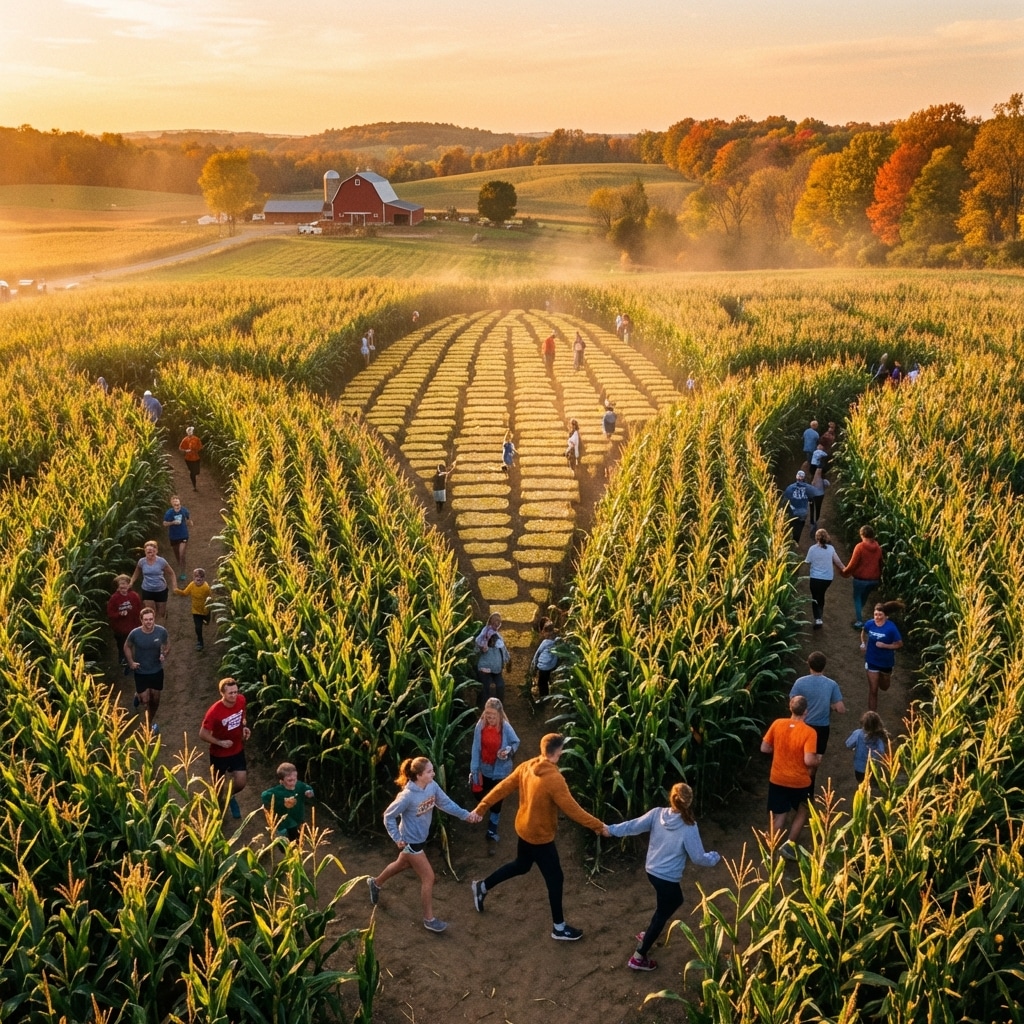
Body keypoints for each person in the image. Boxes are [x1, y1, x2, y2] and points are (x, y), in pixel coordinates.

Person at [471, 733, 607, 941]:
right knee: (556, 878)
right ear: (558, 752)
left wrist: (482, 807)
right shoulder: (555, 780)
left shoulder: (528, 766)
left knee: (521, 865)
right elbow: (573, 810)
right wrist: (598, 826)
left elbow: (502, 787)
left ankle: (482, 886)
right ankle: (559, 928)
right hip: (539, 837)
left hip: (524, 829)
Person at [606, 783, 720, 971]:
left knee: (667, 905)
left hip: (651, 870)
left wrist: (610, 829)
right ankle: (638, 957)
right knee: (668, 908)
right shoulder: (689, 827)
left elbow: (633, 826)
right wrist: (714, 857)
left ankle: (648, 934)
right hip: (667, 877)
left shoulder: (657, 814)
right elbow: (698, 857)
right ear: (689, 801)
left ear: (671, 798)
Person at [369, 756, 480, 933]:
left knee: (401, 864)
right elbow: (388, 816)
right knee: (429, 878)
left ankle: (375, 883)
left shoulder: (432, 786)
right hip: (411, 843)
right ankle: (429, 920)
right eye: (429, 771)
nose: (433, 774)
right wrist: (397, 837)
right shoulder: (407, 796)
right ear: (419, 775)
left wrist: (466, 815)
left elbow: (446, 803)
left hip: (420, 839)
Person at [760, 694, 821, 860]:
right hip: (799, 782)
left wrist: (779, 751)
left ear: (790, 708)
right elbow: (808, 760)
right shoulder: (810, 732)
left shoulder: (777, 724)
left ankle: (770, 849)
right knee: (803, 810)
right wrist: (817, 760)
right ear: (806, 712)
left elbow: (764, 748)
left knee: (779, 816)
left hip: (777, 779)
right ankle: (789, 845)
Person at [469, 698, 520, 845]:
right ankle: (486, 808)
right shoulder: (480, 726)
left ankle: (492, 827)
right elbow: (475, 748)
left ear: (499, 714)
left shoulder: (506, 727)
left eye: (493, 715)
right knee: (479, 793)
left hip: (501, 771)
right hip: (484, 767)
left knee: (497, 798)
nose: (490, 718)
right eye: (487, 714)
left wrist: (508, 751)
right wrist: (474, 769)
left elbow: (515, 742)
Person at [199, 677, 251, 819]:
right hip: (219, 754)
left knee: (241, 782)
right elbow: (202, 734)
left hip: (237, 749)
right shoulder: (214, 712)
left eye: (235, 692)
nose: (234, 696)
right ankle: (218, 811)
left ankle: (230, 796)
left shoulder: (241, 700)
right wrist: (219, 742)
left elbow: (242, 716)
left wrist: (244, 727)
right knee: (218, 787)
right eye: (230, 693)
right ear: (222, 693)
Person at [789, 652, 845, 777]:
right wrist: (831, 706)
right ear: (824, 666)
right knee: (814, 762)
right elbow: (841, 709)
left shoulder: (800, 682)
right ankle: (809, 785)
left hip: (802, 725)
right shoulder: (831, 684)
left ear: (809, 664)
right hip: (821, 729)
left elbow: (793, 703)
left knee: (799, 757)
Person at [124, 607, 169, 735]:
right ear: (141, 620)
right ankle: (148, 726)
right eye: (146, 620)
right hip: (141, 672)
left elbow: (167, 645)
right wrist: (131, 662)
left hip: (156, 671)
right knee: (146, 701)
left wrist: (164, 654)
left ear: (154, 619)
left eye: (151, 619)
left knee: (155, 700)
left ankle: (148, 721)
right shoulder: (135, 634)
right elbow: (127, 646)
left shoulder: (161, 631)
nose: (149, 622)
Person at [861, 602, 903, 712]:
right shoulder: (869, 624)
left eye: (880, 615)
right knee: (873, 690)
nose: (877, 617)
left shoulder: (891, 628)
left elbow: (899, 644)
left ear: (886, 616)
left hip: (886, 662)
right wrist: (863, 643)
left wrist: (885, 646)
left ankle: (882, 677)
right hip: (871, 660)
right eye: (875, 614)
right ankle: (872, 716)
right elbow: (863, 632)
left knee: (884, 687)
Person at [841, 525, 883, 629]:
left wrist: (845, 571)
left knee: (857, 598)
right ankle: (860, 615)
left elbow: (853, 564)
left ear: (862, 535)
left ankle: (859, 621)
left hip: (861, 579)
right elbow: (880, 564)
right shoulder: (878, 548)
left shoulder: (860, 547)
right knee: (863, 597)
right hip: (873, 579)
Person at [803, 529, 846, 628]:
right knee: (821, 595)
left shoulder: (812, 549)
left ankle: (817, 618)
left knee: (815, 597)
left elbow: (807, 561)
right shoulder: (831, 549)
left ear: (816, 538)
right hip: (827, 578)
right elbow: (838, 562)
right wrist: (845, 569)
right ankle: (820, 615)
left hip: (815, 578)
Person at [262, 762, 315, 841]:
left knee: (299, 836)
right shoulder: (278, 791)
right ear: (282, 781)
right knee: (291, 837)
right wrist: (281, 800)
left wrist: (309, 792)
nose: (293, 782)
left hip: (298, 817)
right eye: (289, 780)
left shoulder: (299, 785)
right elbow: (264, 795)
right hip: (285, 821)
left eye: (295, 779)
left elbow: (308, 789)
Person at [129, 540, 176, 623]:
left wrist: (174, 586)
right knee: (150, 612)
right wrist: (131, 582)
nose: (151, 553)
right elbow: (137, 572)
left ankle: (162, 616)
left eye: (153, 551)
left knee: (161, 613)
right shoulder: (142, 562)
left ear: (156, 551)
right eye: (148, 551)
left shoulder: (161, 561)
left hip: (161, 590)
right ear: (145, 551)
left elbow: (171, 573)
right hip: (147, 590)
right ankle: (153, 628)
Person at [106, 573, 142, 672]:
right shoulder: (114, 599)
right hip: (120, 630)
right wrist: (119, 614)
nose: (123, 588)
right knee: (122, 646)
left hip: (133, 627)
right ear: (117, 587)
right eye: (120, 586)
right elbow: (110, 614)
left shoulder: (134, 596)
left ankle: (136, 662)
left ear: (128, 585)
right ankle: (125, 663)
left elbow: (139, 611)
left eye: (125, 585)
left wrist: (140, 624)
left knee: (134, 645)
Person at [174, 566, 212, 651]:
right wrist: (177, 591)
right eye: (196, 576)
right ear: (193, 577)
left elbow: (211, 598)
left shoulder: (206, 588)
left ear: (204, 578)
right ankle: (200, 642)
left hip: (205, 610)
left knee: (206, 622)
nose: (198, 579)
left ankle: (207, 619)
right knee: (198, 627)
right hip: (196, 611)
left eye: (201, 577)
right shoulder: (192, 585)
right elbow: (185, 593)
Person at [845, 712, 889, 784]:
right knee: (871, 783)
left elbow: (848, 744)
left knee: (861, 783)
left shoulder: (858, 733)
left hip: (860, 767)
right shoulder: (878, 737)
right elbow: (881, 751)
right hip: (873, 767)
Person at [780, 471, 822, 545]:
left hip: (793, 512)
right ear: (803, 478)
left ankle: (790, 542)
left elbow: (784, 501)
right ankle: (796, 542)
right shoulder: (808, 488)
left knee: (791, 526)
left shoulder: (790, 487)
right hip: (803, 513)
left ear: (796, 477)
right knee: (799, 528)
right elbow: (816, 495)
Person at [163, 495, 192, 581]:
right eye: (175, 503)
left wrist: (189, 522)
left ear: (180, 502)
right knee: (177, 555)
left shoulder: (184, 510)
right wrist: (172, 522)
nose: (177, 505)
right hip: (173, 536)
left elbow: (188, 519)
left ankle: (183, 572)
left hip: (183, 535)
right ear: (172, 504)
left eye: (178, 503)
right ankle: (180, 565)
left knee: (182, 554)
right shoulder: (169, 513)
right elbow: (164, 523)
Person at [476, 632, 509, 703]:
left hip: (497, 670)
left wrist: (507, 661)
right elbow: (476, 651)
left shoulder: (499, 641)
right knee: (485, 687)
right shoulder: (481, 639)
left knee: (500, 686)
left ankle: (499, 704)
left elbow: (504, 652)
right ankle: (483, 704)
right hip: (484, 670)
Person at [530, 619, 559, 700]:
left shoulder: (545, 642)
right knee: (545, 681)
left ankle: (544, 698)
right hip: (551, 666)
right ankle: (546, 696)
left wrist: (533, 665)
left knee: (542, 683)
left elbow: (538, 653)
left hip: (544, 667)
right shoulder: (556, 642)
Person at [178, 427, 203, 492]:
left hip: (196, 458)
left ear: (192, 432)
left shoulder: (196, 439)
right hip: (188, 459)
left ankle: (193, 478)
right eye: (188, 432)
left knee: (197, 472)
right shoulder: (185, 439)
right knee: (192, 472)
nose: (190, 433)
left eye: (191, 431)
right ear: (187, 433)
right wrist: (186, 450)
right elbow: (180, 448)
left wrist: (196, 450)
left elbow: (200, 446)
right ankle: (194, 486)